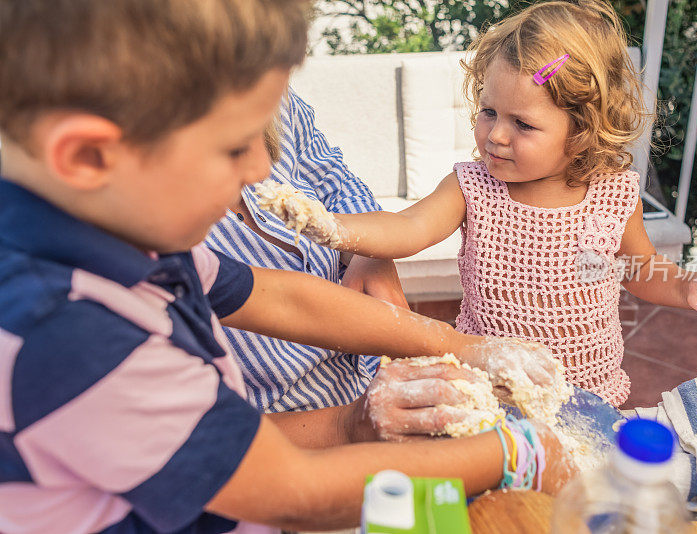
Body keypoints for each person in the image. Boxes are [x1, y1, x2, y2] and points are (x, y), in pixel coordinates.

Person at [0, 1, 575, 532]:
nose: (262, 168)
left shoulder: (115, 230)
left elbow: (281, 297)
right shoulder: (68, 333)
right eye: (236, 146)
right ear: (88, 155)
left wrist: (463, 345)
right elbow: (293, 490)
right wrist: (517, 453)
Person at [281, 0, 697, 407]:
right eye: (488, 111)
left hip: (586, 393)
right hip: (492, 387)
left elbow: (639, 270)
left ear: (581, 132)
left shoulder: (612, 194)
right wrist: (327, 224)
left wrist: (686, 289)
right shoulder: (473, 188)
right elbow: (408, 228)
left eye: (523, 124)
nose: (495, 134)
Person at [205, 90, 406, 413]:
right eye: (236, 144)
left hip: (369, 381)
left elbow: (335, 180)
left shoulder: (270, 93)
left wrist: (369, 251)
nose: (262, 172)